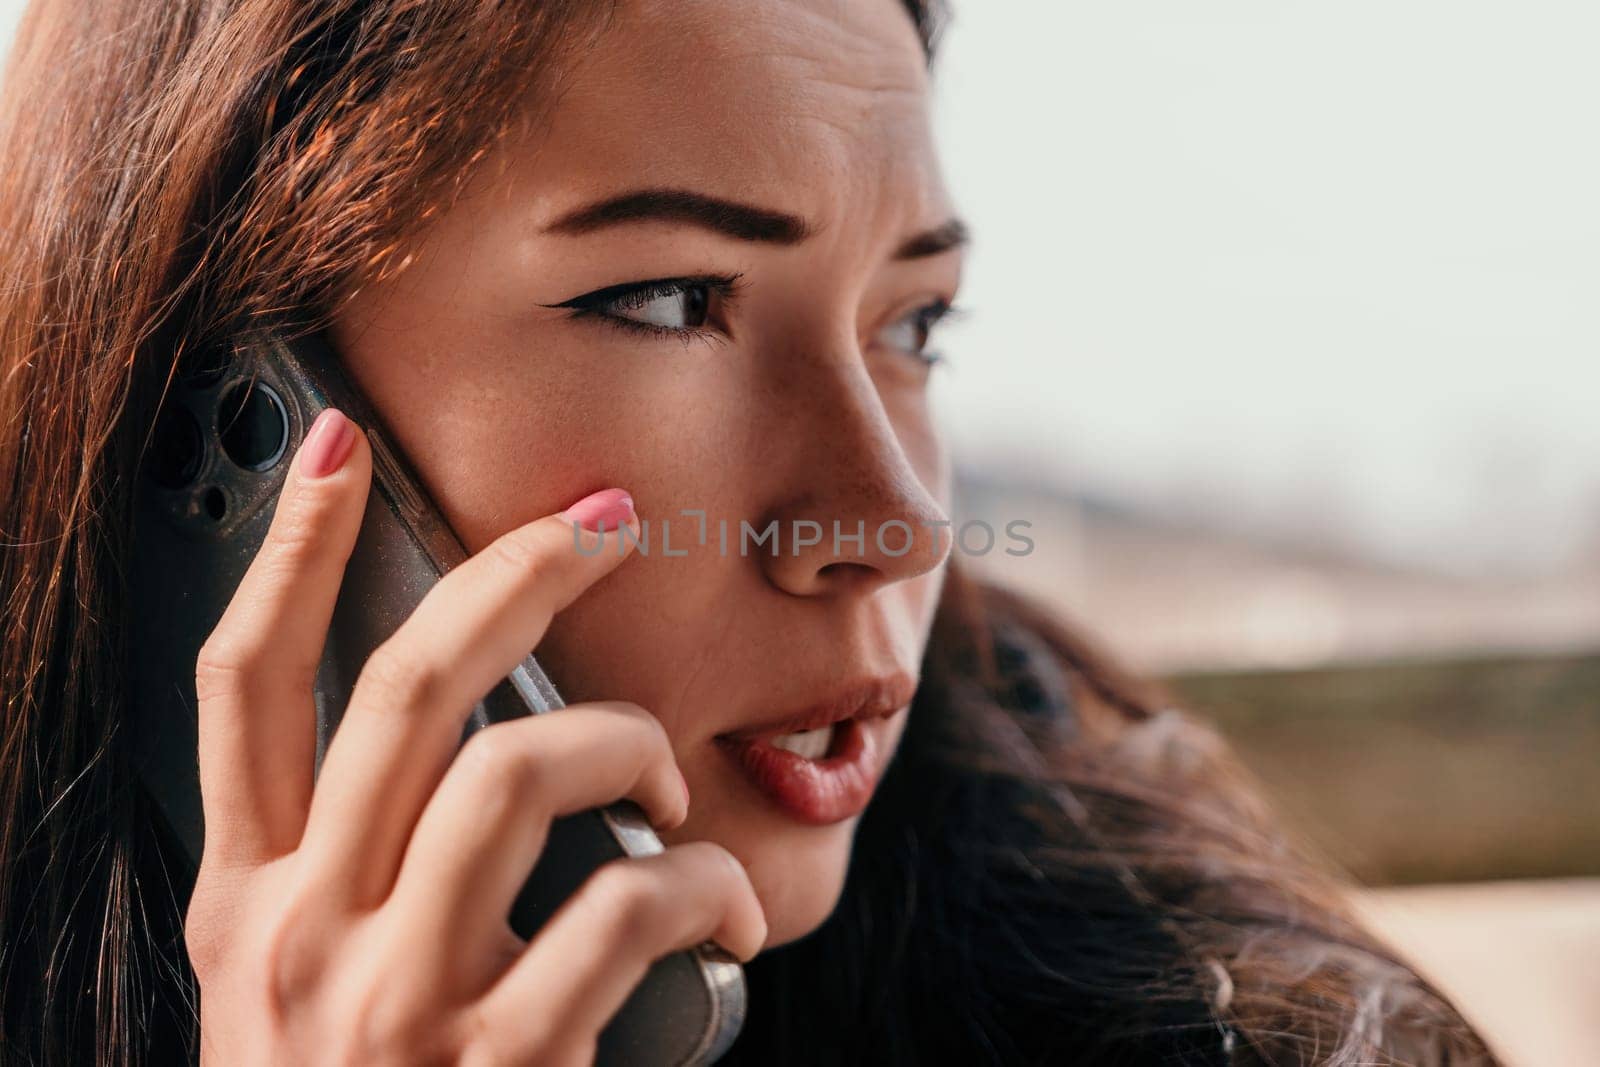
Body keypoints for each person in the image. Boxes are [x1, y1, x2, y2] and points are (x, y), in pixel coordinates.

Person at [0, 0, 1496, 1063]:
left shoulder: (1220, 1029)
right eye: (668, 303)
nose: (899, 526)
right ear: (213, 420)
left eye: (917, 322)